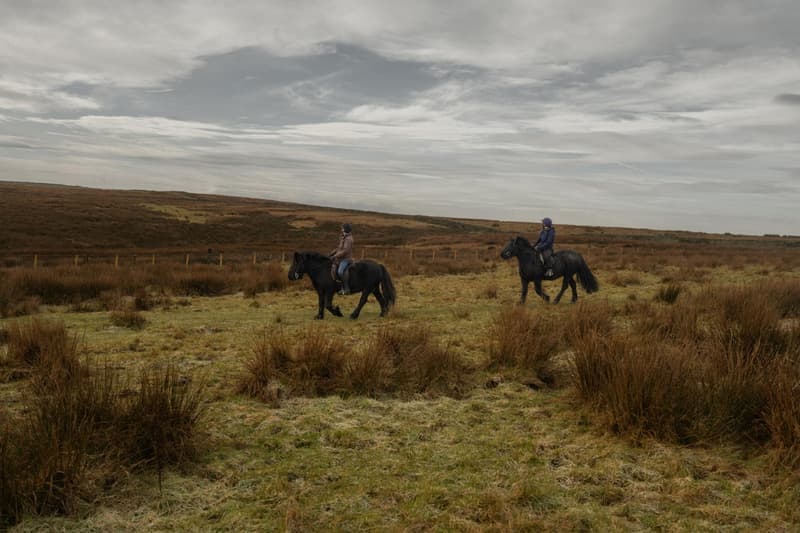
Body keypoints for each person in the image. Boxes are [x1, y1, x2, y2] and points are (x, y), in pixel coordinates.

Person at [330, 223, 354, 295]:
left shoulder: (349, 239)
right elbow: (339, 248)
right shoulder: (343, 237)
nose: (341, 229)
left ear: (345, 229)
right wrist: (331, 253)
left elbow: (345, 251)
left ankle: (346, 288)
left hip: (345, 259)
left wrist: (335, 256)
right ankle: (338, 287)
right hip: (339, 258)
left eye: (342, 228)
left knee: (340, 271)